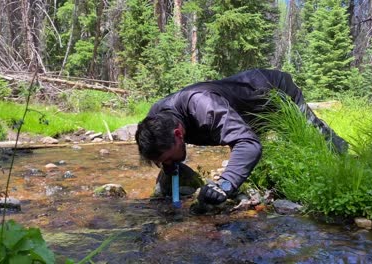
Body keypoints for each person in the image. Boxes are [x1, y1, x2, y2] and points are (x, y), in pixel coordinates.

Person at [135, 69, 347, 205]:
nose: (168, 164)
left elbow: (248, 143)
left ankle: (345, 156)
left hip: (272, 91)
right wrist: (168, 165)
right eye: (162, 161)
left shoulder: (203, 106)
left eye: (168, 158)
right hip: (242, 108)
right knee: (248, 144)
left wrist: (225, 184)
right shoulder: (155, 118)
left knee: (311, 131)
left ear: (179, 134)